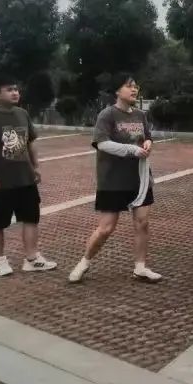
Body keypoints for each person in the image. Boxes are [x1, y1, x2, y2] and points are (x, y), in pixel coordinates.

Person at [68, 74, 162, 284]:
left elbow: (147, 137)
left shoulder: (140, 115)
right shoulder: (107, 114)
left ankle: (140, 267)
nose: (134, 89)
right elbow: (102, 144)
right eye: (129, 86)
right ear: (117, 91)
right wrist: (132, 150)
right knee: (106, 228)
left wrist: (148, 143)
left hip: (139, 179)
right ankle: (84, 262)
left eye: (136, 86)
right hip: (113, 180)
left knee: (142, 223)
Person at [0, 74, 57, 277]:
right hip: (0, 182)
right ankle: (0, 261)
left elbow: (30, 142)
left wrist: (36, 166)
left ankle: (32, 259)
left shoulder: (22, 114)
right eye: (9, 89)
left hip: (25, 179)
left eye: (16, 89)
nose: (15, 93)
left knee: (31, 218)